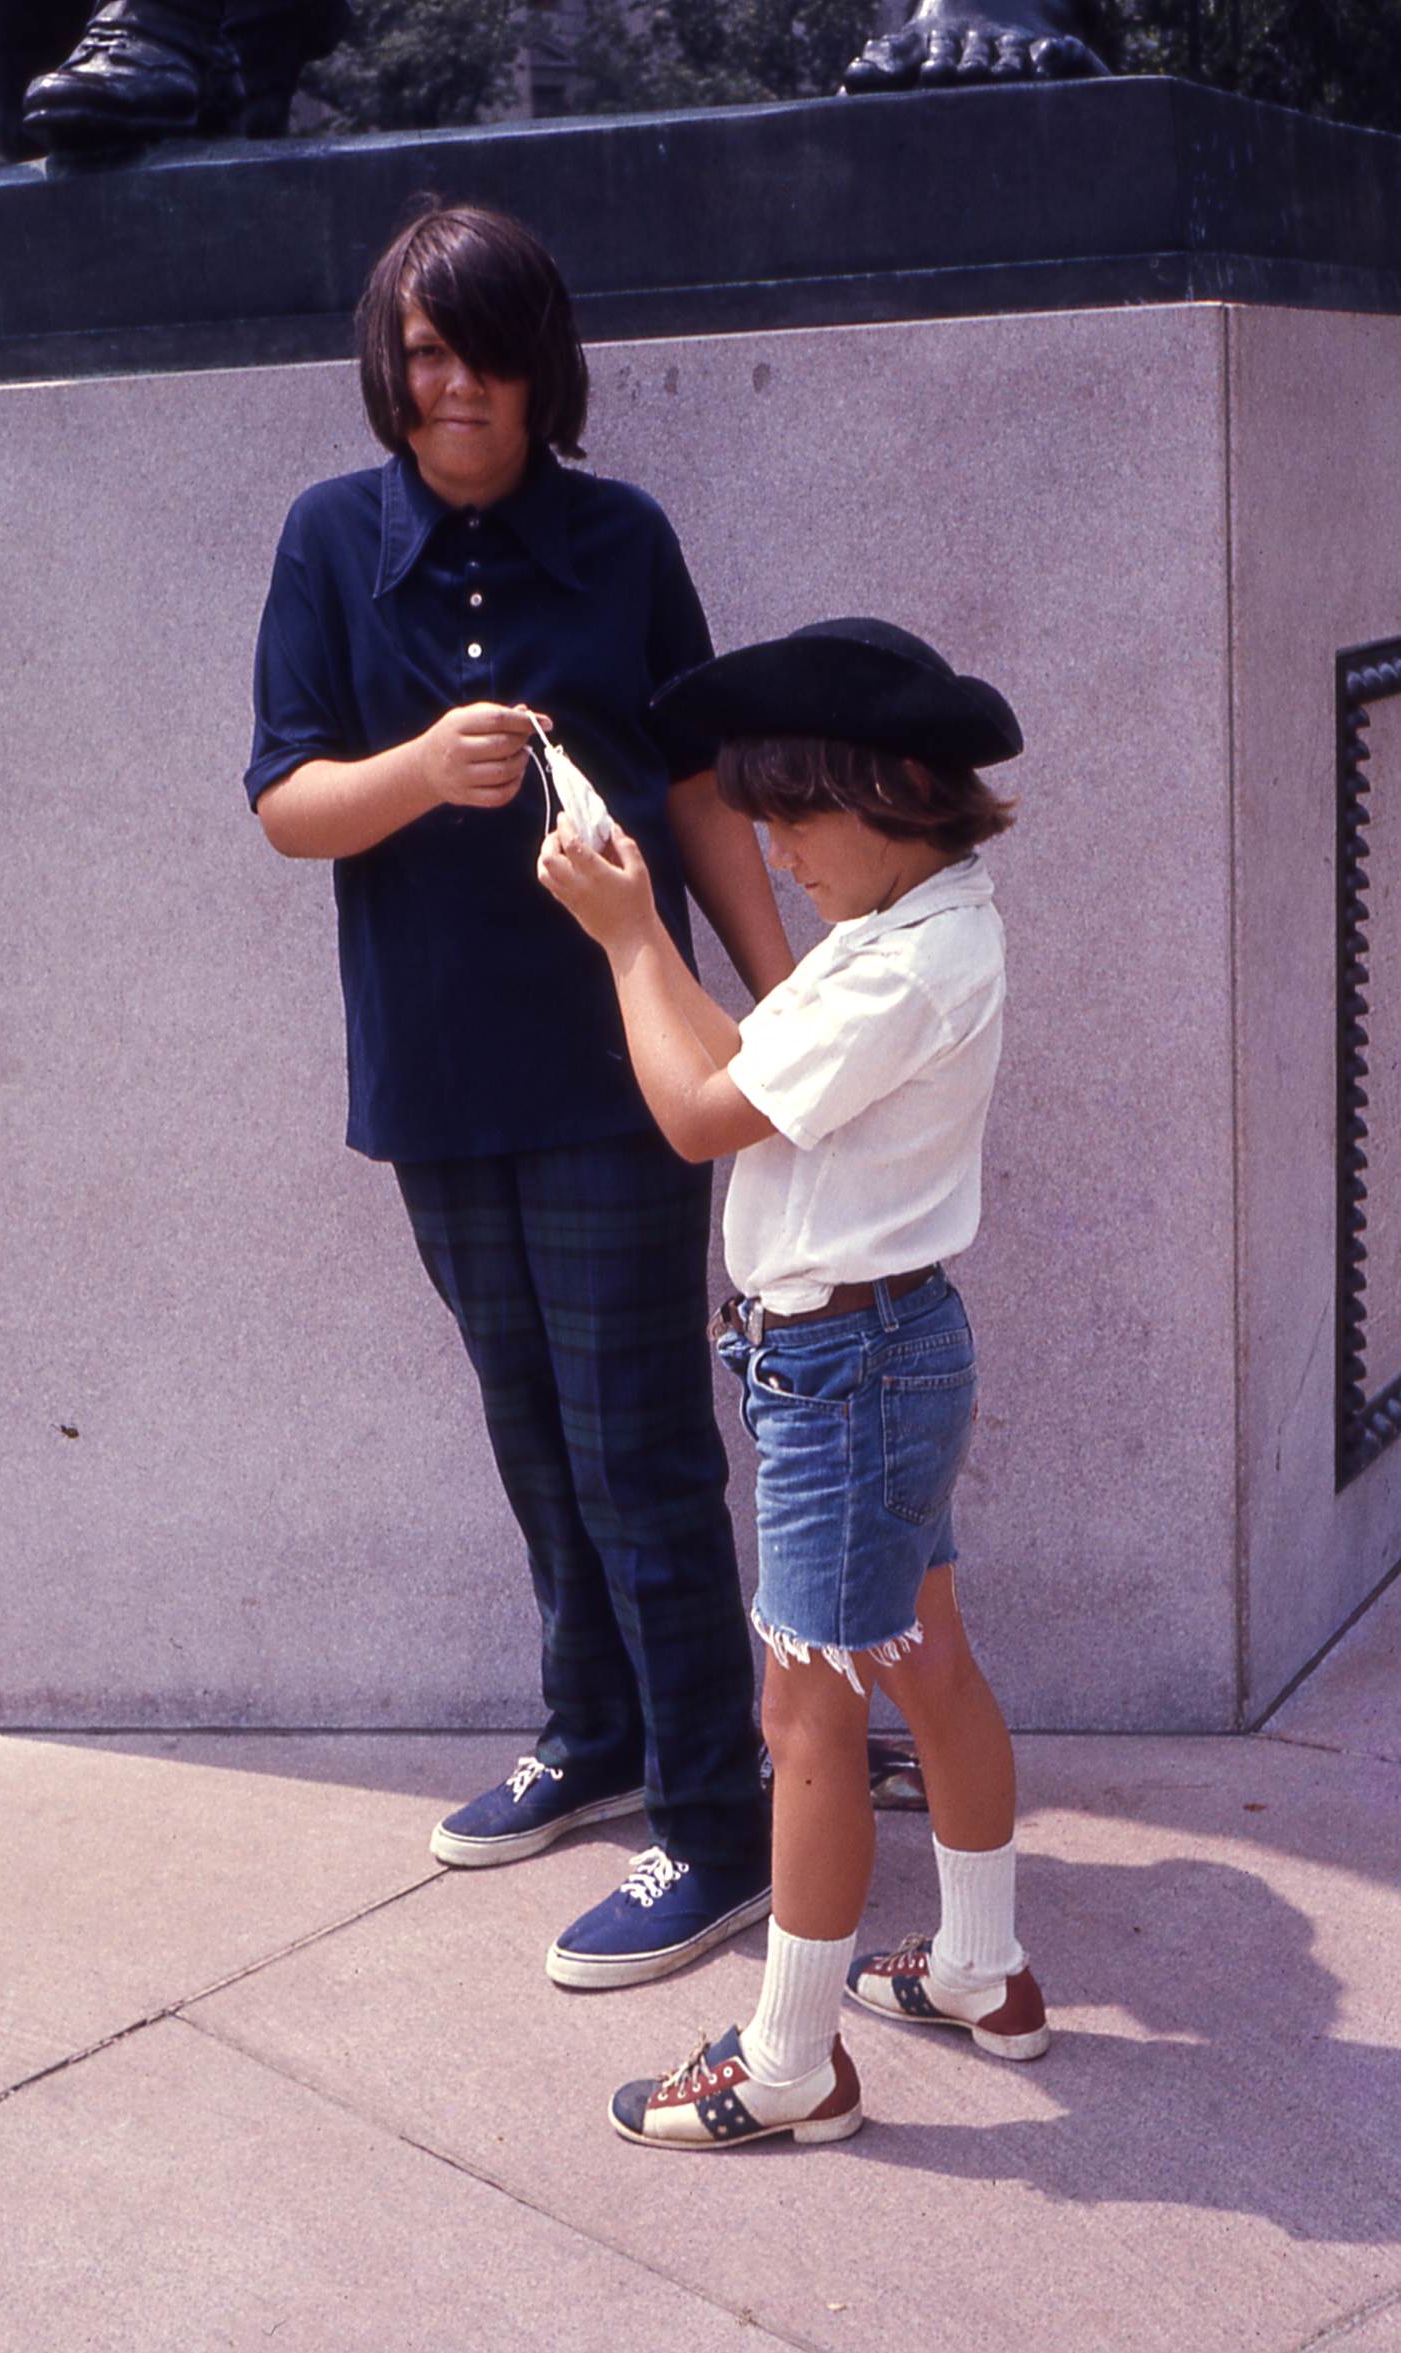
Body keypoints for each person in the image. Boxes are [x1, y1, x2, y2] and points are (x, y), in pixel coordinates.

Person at [245, 200, 794, 1988]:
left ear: (540, 367)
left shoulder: (623, 538)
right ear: (386, 369)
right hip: (432, 1061)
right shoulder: (329, 540)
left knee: (640, 1444)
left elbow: (698, 784)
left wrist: (782, 997)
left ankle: (715, 1823)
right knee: (532, 1428)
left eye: (484, 352)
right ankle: (598, 1730)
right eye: (423, 353)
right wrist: (414, 767)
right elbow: (285, 803)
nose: (453, 385)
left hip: (618, 1063)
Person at [536, 617, 1049, 2147]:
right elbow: (747, 1074)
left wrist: (628, 939)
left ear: (887, 790)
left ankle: (789, 2062)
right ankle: (979, 1969)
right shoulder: (917, 925)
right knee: (924, 1657)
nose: (775, 853)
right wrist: (646, 934)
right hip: (877, 1356)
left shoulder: (903, 963)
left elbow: (697, 1116)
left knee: (803, 1708)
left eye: (793, 818)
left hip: (846, 1373)